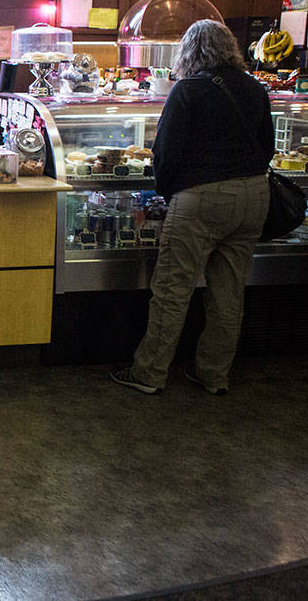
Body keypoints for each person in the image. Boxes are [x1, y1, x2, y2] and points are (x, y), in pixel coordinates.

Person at [110, 19, 272, 396]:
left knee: (172, 289)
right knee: (229, 293)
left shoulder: (188, 90)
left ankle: (149, 373)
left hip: (202, 198)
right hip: (253, 196)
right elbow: (267, 149)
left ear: (188, 52)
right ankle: (214, 374)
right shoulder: (254, 88)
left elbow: (165, 153)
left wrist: (166, 194)